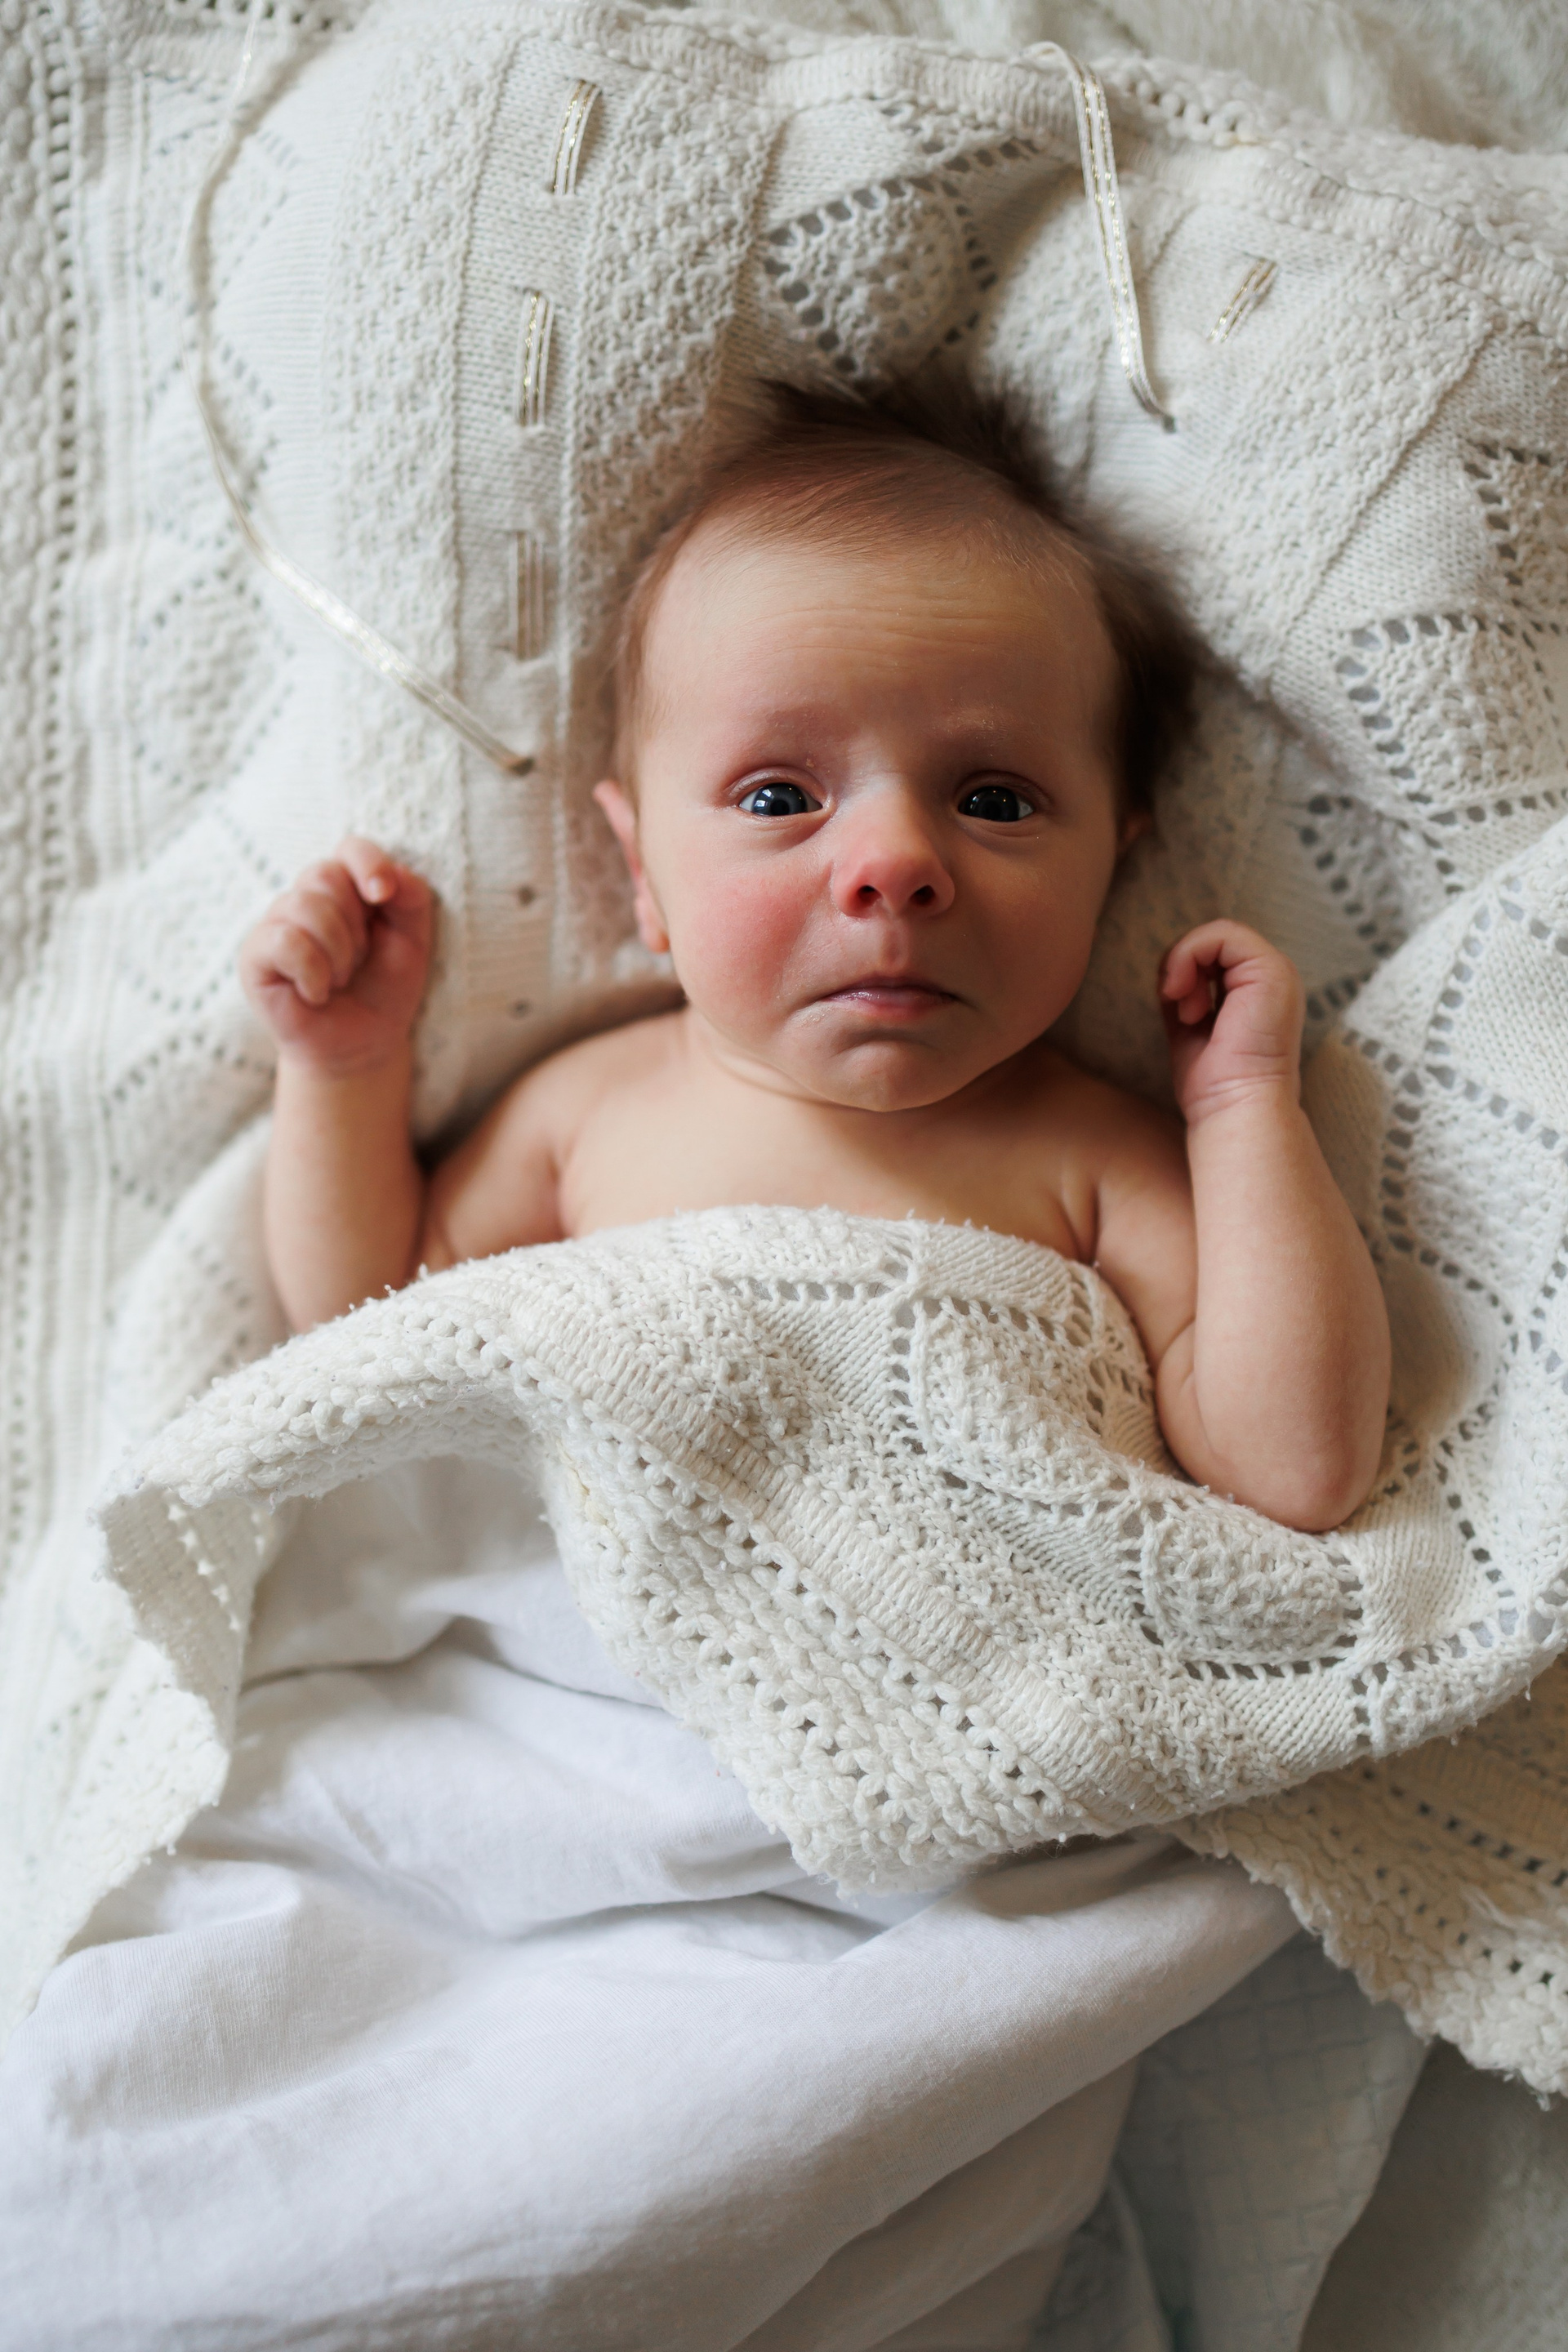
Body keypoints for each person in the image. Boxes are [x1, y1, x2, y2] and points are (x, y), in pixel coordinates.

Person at [239, 383, 1390, 1533]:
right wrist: (345, 1067)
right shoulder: (590, 1113)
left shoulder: (1097, 1161)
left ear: (1112, 867)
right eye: (778, 797)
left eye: (994, 800)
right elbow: (366, 1330)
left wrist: (1245, 1113)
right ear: (643, 870)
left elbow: (1294, 1469)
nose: (894, 862)